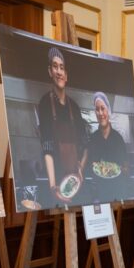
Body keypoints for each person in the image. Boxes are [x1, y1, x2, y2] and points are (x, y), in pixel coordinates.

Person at [37, 46, 88, 203]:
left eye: (62, 67)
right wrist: (53, 187)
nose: (59, 72)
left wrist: (80, 170)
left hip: (75, 181)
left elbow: (85, 144)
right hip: (57, 180)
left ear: (66, 75)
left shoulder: (75, 107)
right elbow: (47, 147)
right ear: (50, 71)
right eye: (55, 66)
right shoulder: (45, 103)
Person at [81, 92, 129, 202]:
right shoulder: (92, 139)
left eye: (103, 108)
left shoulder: (118, 138)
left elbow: (126, 167)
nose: (100, 112)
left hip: (117, 193)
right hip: (98, 193)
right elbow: (87, 162)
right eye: (97, 109)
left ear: (108, 111)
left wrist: (123, 169)